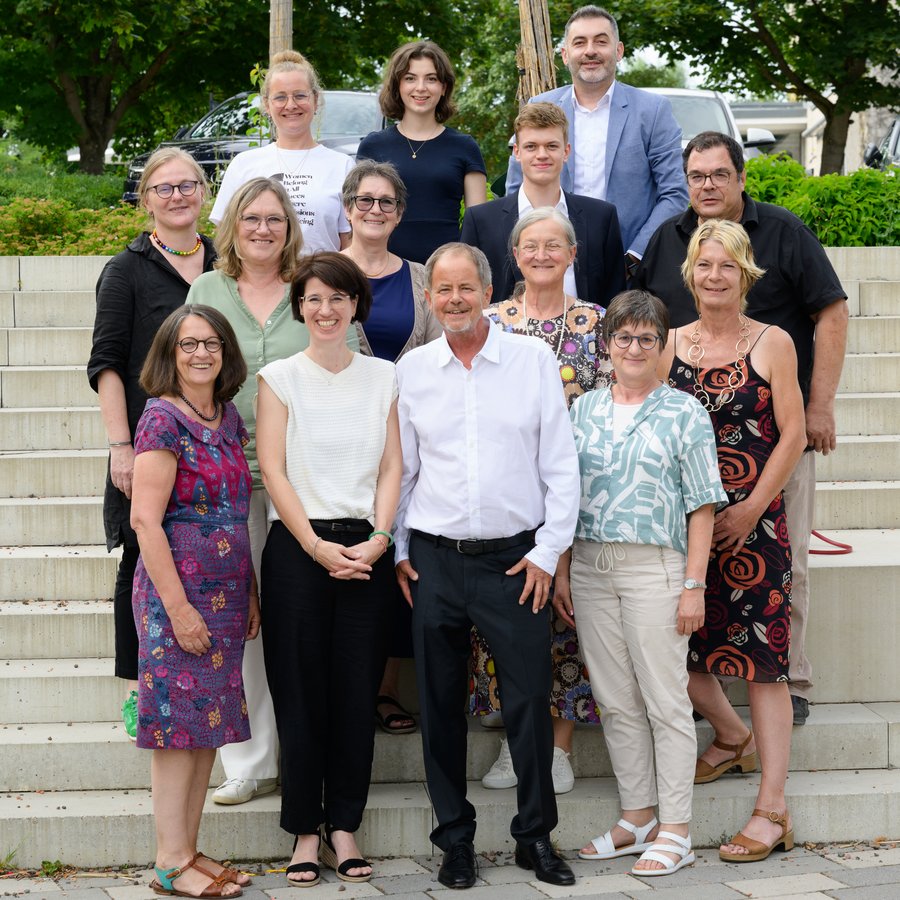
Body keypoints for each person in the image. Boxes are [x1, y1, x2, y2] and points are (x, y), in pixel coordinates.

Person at [635, 130, 848, 726]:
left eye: (718, 174)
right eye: (697, 175)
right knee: (690, 566)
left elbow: (831, 310)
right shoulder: (664, 241)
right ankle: (707, 685)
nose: (707, 185)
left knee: (786, 562)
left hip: (768, 434)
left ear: (741, 179)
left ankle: (790, 677)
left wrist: (819, 406)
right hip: (686, 448)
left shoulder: (782, 231)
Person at [394, 243, 580, 889]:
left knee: (529, 702)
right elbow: (405, 470)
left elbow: (560, 464)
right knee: (440, 706)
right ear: (429, 297)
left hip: (514, 560)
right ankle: (455, 841)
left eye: (465, 288)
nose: (453, 299)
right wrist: (398, 550)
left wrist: (548, 551)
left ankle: (536, 838)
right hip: (435, 559)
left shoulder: (531, 361)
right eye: (442, 289)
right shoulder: (411, 370)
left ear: (488, 291)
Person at [187, 177, 359, 804]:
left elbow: (351, 368)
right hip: (227, 479)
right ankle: (250, 760)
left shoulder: (308, 290)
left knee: (299, 623)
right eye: (251, 218)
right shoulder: (206, 289)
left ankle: (304, 754)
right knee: (244, 621)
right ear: (233, 225)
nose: (263, 229)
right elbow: (190, 368)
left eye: (275, 220)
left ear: (291, 229)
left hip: (309, 482)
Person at [661, 219, 807, 862]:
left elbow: (794, 435)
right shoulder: (667, 344)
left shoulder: (773, 343)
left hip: (756, 524)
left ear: (746, 274)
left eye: (728, 265)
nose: (714, 275)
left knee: (765, 666)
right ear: (689, 272)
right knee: (673, 648)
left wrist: (750, 508)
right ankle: (729, 733)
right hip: (678, 528)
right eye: (704, 264)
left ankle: (772, 807)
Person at [565, 290, 725, 877]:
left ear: (662, 347)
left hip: (657, 568)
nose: (634, 348)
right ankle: (637, 817)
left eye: (647, 339)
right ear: (607, 346)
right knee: (615, 699)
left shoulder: (685, 411)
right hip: (590, 567)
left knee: (665, 700)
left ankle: (677, 829)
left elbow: (702, 506)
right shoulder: (582, 410)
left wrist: (693, 585)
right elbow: (563, 495)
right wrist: (562, 569)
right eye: (624, 338)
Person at [255, 252, 401, 887]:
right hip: (298, 550)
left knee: (352, 693)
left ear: (355, 306)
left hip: (365, 551)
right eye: (313, 298)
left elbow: (394, 467)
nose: (325, 309)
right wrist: (315, 547)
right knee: (299, 693)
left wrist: (380, 538)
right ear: (300, 306)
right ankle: (305, 834)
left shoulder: (383, 377)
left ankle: (346, 826)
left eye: (338, 298)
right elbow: (273, 470)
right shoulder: (279, 376)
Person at [474, 206, 613, 794]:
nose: (541, 255)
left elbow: (611, 410)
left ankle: (556, 748)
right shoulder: (490, 320)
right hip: (501, 498)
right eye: (530, 245)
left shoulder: (596, 322)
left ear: (573, 254)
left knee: (564, 621)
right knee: (503, 626)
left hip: (576, 495)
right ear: (515, 254)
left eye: (553, 245)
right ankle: (515, 741)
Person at [87, 148, 215, 742]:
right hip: (150, 442)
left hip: (213, 446)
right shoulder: (126, 269)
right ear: (146, 200)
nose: (177, 196)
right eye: (163, 188)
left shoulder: (224, 261)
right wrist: (120, 446)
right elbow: (108, 363)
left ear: (205, 191)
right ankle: (140, 685)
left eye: (187, 185)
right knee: (140, 558)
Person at [130, 305, 257, 898]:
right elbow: (145, 522)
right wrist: (178, 609)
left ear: (226, 352)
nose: (201, 353)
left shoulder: (229, 417)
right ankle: (168, 861)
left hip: (228, 593)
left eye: (211, 343)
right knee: (177, 728)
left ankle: (188, 850)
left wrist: (251, 590)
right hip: (174, 593)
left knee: (207, 724)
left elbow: (238, 511)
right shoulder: (160, 419)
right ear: (169, 354)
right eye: (188, 345)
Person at [340, 159, 442, 735]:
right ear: (348, 206)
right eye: (365, 199)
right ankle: (352, 686)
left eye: (386, 202)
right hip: (340, 435)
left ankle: (385, 691)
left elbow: (434, 354)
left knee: (402, 556)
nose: (374, 210)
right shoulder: (324, 271)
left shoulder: (422, 277)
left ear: (399, 213)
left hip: (407, 435)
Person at [504, 5, 687, 272]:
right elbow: (516, 188)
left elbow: (674, 193)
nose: (590, 50)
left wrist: (635, 255)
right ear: (566, 55)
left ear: (619, 50)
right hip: (549, 265)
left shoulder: (652, 110)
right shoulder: (540, 105)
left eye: (601, 41)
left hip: (629, 265)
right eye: (580, 43)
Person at [461, 102, 624, 306]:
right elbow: (469, 290)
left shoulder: (601, 217)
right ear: (517, 152)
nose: (542, 154)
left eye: (551, 146)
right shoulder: (481, 220)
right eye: (531, 146)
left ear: (566, 152)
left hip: (584, 333)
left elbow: (615, 297)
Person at [357, 40, 487, 264]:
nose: (421, 87)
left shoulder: (465, 147)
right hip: (382, 269)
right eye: (410, 78)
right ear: (397, 85)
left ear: (444, 87)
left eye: (431, 79)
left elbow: (479, 225)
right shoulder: (373, 146)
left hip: (446, 272)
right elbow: (358, 214)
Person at [211, 50, 353, 253]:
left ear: (315, 99)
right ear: (267, 105)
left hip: (322, 281)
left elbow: (348, 242)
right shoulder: (244, 164)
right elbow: (225, 238)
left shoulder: (342, 165)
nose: (291, 105)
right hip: (259, 283)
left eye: (300, 95)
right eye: (280, 97)